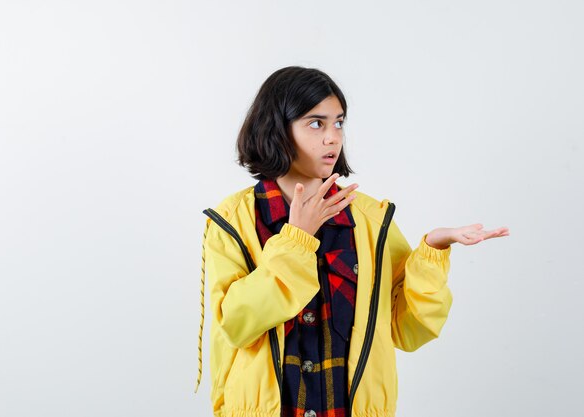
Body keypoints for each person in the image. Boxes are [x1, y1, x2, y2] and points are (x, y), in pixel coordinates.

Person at [196, 66, 509, 417]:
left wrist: (432, 251)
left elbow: (408, 329)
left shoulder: (370, 221)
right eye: (317, 124)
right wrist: (297, 240)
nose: (333, 137)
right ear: (278, 129)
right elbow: (236, 324)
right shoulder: (235, 220)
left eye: (339, 123)